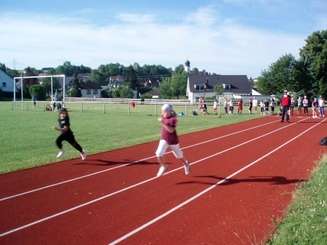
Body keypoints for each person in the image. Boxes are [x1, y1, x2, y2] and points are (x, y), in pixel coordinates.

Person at [155, 104, 190, 177]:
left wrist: (163, 122)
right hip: (164, 139)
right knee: (158, 153)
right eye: (162, 112)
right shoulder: (163, 116)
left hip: (173, 140)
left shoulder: (173, 119)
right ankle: (163, 166)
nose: (163, 113)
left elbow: (171, 130)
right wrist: (162, 121)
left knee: (178, 156)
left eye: (165, 112)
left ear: (169, 111)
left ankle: (186, 164)